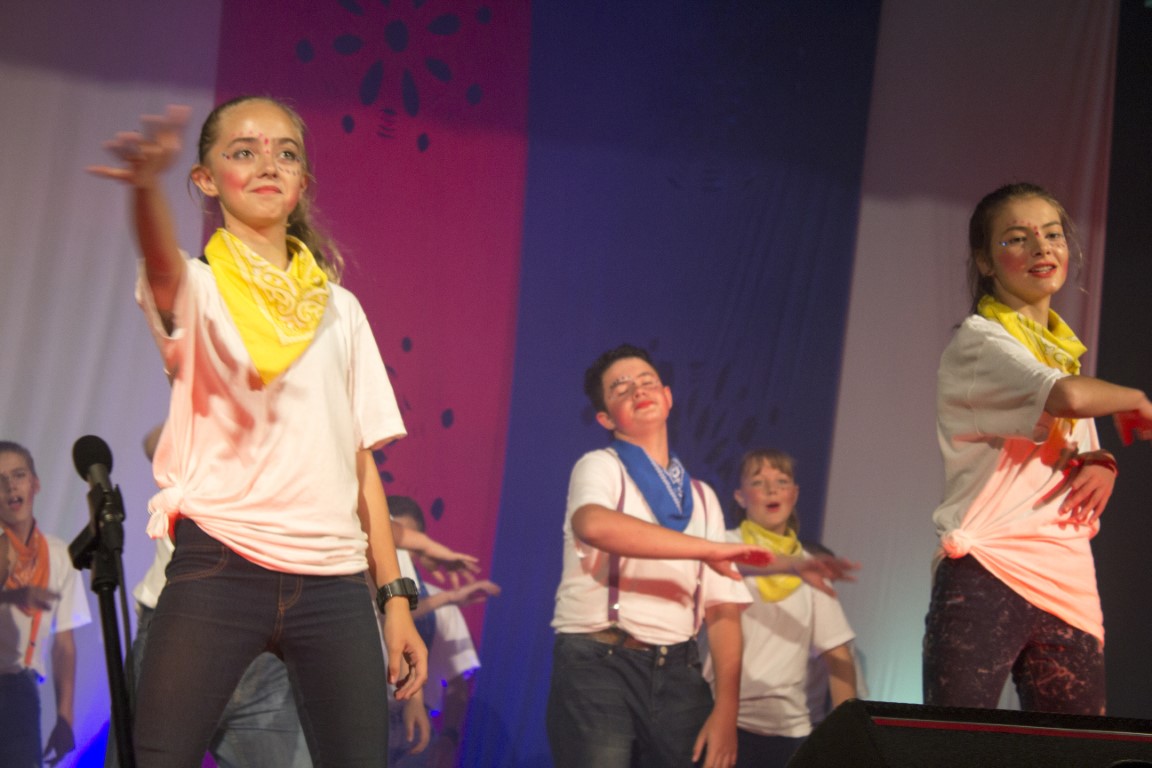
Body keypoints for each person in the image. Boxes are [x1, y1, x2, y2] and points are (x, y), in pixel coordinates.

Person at [88, 98, 428, 766]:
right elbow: (161, 264)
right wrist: (145, 188)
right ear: (206, 179)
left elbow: (359, 464)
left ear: (302, 182)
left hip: (333, 581)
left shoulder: (340, 309)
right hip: (220, 564)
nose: (268, 164)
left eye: (286, 153)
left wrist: (394, 599)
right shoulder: (198, 286)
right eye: (243, 151)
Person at [546, 344, 856, 768]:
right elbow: (594, 525)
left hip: (677, 669)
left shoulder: (702, 497)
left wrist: (726, 710)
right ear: (605, 418)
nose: (637, 390)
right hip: (601, 657)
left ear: (668, 397)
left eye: (647, 381)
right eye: (621, 388)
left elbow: (723, 609)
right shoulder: (601, 466)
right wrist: (709, 549)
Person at [923, 182, 1152, 715]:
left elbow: (1072, 434)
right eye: (1017, 239)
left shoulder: (1057, 350)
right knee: (954, 745)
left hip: (1067, 576)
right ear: (985, 260)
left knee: (1077, 749)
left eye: (1052, 235)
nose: (1041, 248)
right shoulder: (981, 342)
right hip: (990, 565)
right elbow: (1067, 398)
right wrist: (1137, 399)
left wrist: (1103, 462)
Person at [705, 448, 857, 768]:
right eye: (758, 482)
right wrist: (792, 566)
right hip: (722, 718)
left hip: (788, 730)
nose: (771, 490)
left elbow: (838, 655)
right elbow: (733, 562)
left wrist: (847, 739)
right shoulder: (721, 545)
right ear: (740, 496)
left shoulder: (810, 568)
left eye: (781, 481)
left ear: (794, 494)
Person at [1, 441, 92, 767]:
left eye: (18, 475)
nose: (10, 486)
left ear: (35, 484)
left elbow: (63, 644)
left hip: (20, 693)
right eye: (0, 480)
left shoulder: (58, 555)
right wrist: (12, 596)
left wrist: (65, 716)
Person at [389, 495, 498, 768]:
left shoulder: (441, 603)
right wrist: (447, 598)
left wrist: (449, 737)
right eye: (394, 542)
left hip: (417, 727)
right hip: (365, 717)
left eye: (407, 543)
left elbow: (458, 682)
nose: (400, 552)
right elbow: (388, 613)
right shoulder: (359, 593)